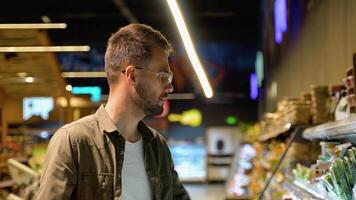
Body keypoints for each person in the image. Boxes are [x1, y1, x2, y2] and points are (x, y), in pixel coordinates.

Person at [36, 23, 190, 200]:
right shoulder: (74, 142)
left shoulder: (158, 147)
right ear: (132, 75)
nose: (170, 86)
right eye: (163, 76)